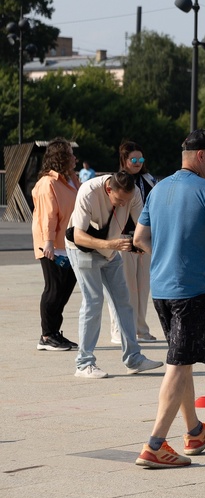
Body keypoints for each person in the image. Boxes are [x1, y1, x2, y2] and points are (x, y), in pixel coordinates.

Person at [132, 129, 205, 469]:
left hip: (161, 289)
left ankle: (194, 431)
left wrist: (166, 253)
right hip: (191, 291)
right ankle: (154, 445)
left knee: (183, 358)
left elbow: (139, 238)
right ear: (201, 156)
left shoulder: (158, 188)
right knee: (177, 365)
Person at [66, 171, 163, 379]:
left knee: (124, 302)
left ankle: (134, 359)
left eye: (126, 201)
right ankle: (84, 363)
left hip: (110, 251)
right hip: (82, 249)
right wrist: (110, 244)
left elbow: (142, 227)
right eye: (119, 200)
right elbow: (77, 235)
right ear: (109, 190)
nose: (122, 205)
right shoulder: (88, 191)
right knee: (93, 301)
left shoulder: (134, 192)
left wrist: (156, 253)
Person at [31, 138, 81, 352]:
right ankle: (46, 335)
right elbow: (47, 216)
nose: (75, 157)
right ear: (61, 157)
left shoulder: (72, 179)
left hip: (70, 244)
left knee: (64, 291)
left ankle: (54, 332)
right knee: (53, 290)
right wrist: (48, 243)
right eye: (70, 153)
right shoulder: (47, 184)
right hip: (52, 245)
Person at [109, 140, 158, 344]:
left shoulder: (149, 179)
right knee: (124, 287)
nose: (138, 162)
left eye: (140, 158)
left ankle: (140, 329)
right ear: (124, 160)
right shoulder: (118, 181)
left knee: (142, 286)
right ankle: (119, 330)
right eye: (133, 159)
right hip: (124, 238)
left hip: (146, 239)